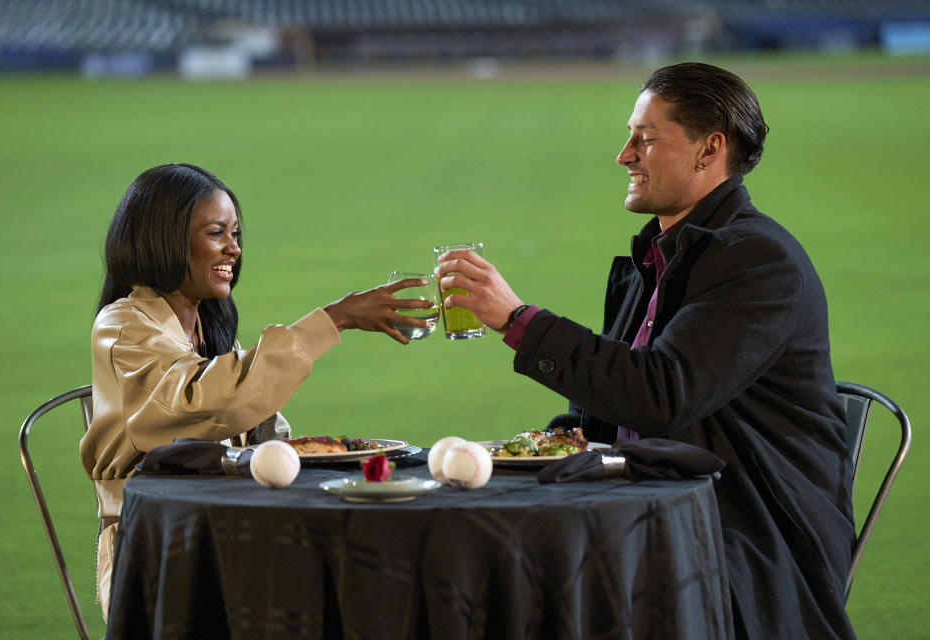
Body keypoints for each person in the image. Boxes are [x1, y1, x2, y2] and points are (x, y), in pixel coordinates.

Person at [436, 63, 855, 639]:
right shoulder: (663, 253)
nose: (624, 154)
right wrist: (532, 449)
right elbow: (613, 408)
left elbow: (658, 395)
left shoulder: (759, 261)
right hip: (648, 511)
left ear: (710, 149)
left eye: (646, 138)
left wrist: (516, 320)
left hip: (744, 538)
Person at [80, 162, 433, 619]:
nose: (234, 248)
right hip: (156, 550)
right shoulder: (123, 326)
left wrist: (331, 453)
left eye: (236, 234)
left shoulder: (208, 328)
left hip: (227, 532)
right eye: (216, 233)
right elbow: (206, 406)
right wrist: (334, 319)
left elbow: (259, 427)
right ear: (165, 238)